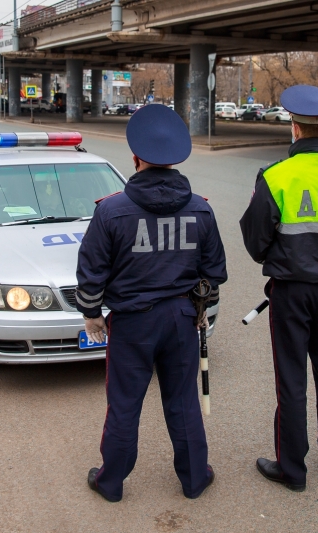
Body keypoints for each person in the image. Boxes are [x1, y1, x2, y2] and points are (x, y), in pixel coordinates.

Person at [76, 104, 227, 502]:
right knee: (183, 403)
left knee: (124, 404)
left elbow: (91, 270)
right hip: (181, 319)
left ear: (136, 159)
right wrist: (202, 310)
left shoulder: (110, 211)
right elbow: (214, 272)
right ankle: (195, 479)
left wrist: (92, 314)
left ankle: (111, 484)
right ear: (176, 159)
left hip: (132, 323)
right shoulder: (201, 208)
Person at [239, 85, 318, 492]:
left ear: (293, 129)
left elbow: (255, 239)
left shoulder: (276, 176)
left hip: (291, 291)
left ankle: (292, 470)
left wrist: (279, 259)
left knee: (292, 377)